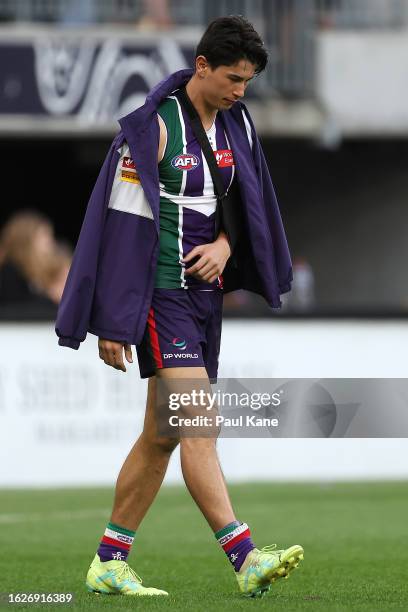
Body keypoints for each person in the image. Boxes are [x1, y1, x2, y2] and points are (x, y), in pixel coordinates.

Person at [55, 16, 304, 598]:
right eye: (233, 78)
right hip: (159, 296)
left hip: (203, 301)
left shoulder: (235, 123)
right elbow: (119, 225)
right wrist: (114, 319)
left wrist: (225, 245)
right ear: (201, 67)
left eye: (248, 80)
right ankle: (244, 556)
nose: (241, 90)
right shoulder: (153, 130)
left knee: (161, 435)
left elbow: (244, 205)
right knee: (199, 423)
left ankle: (109, 563)